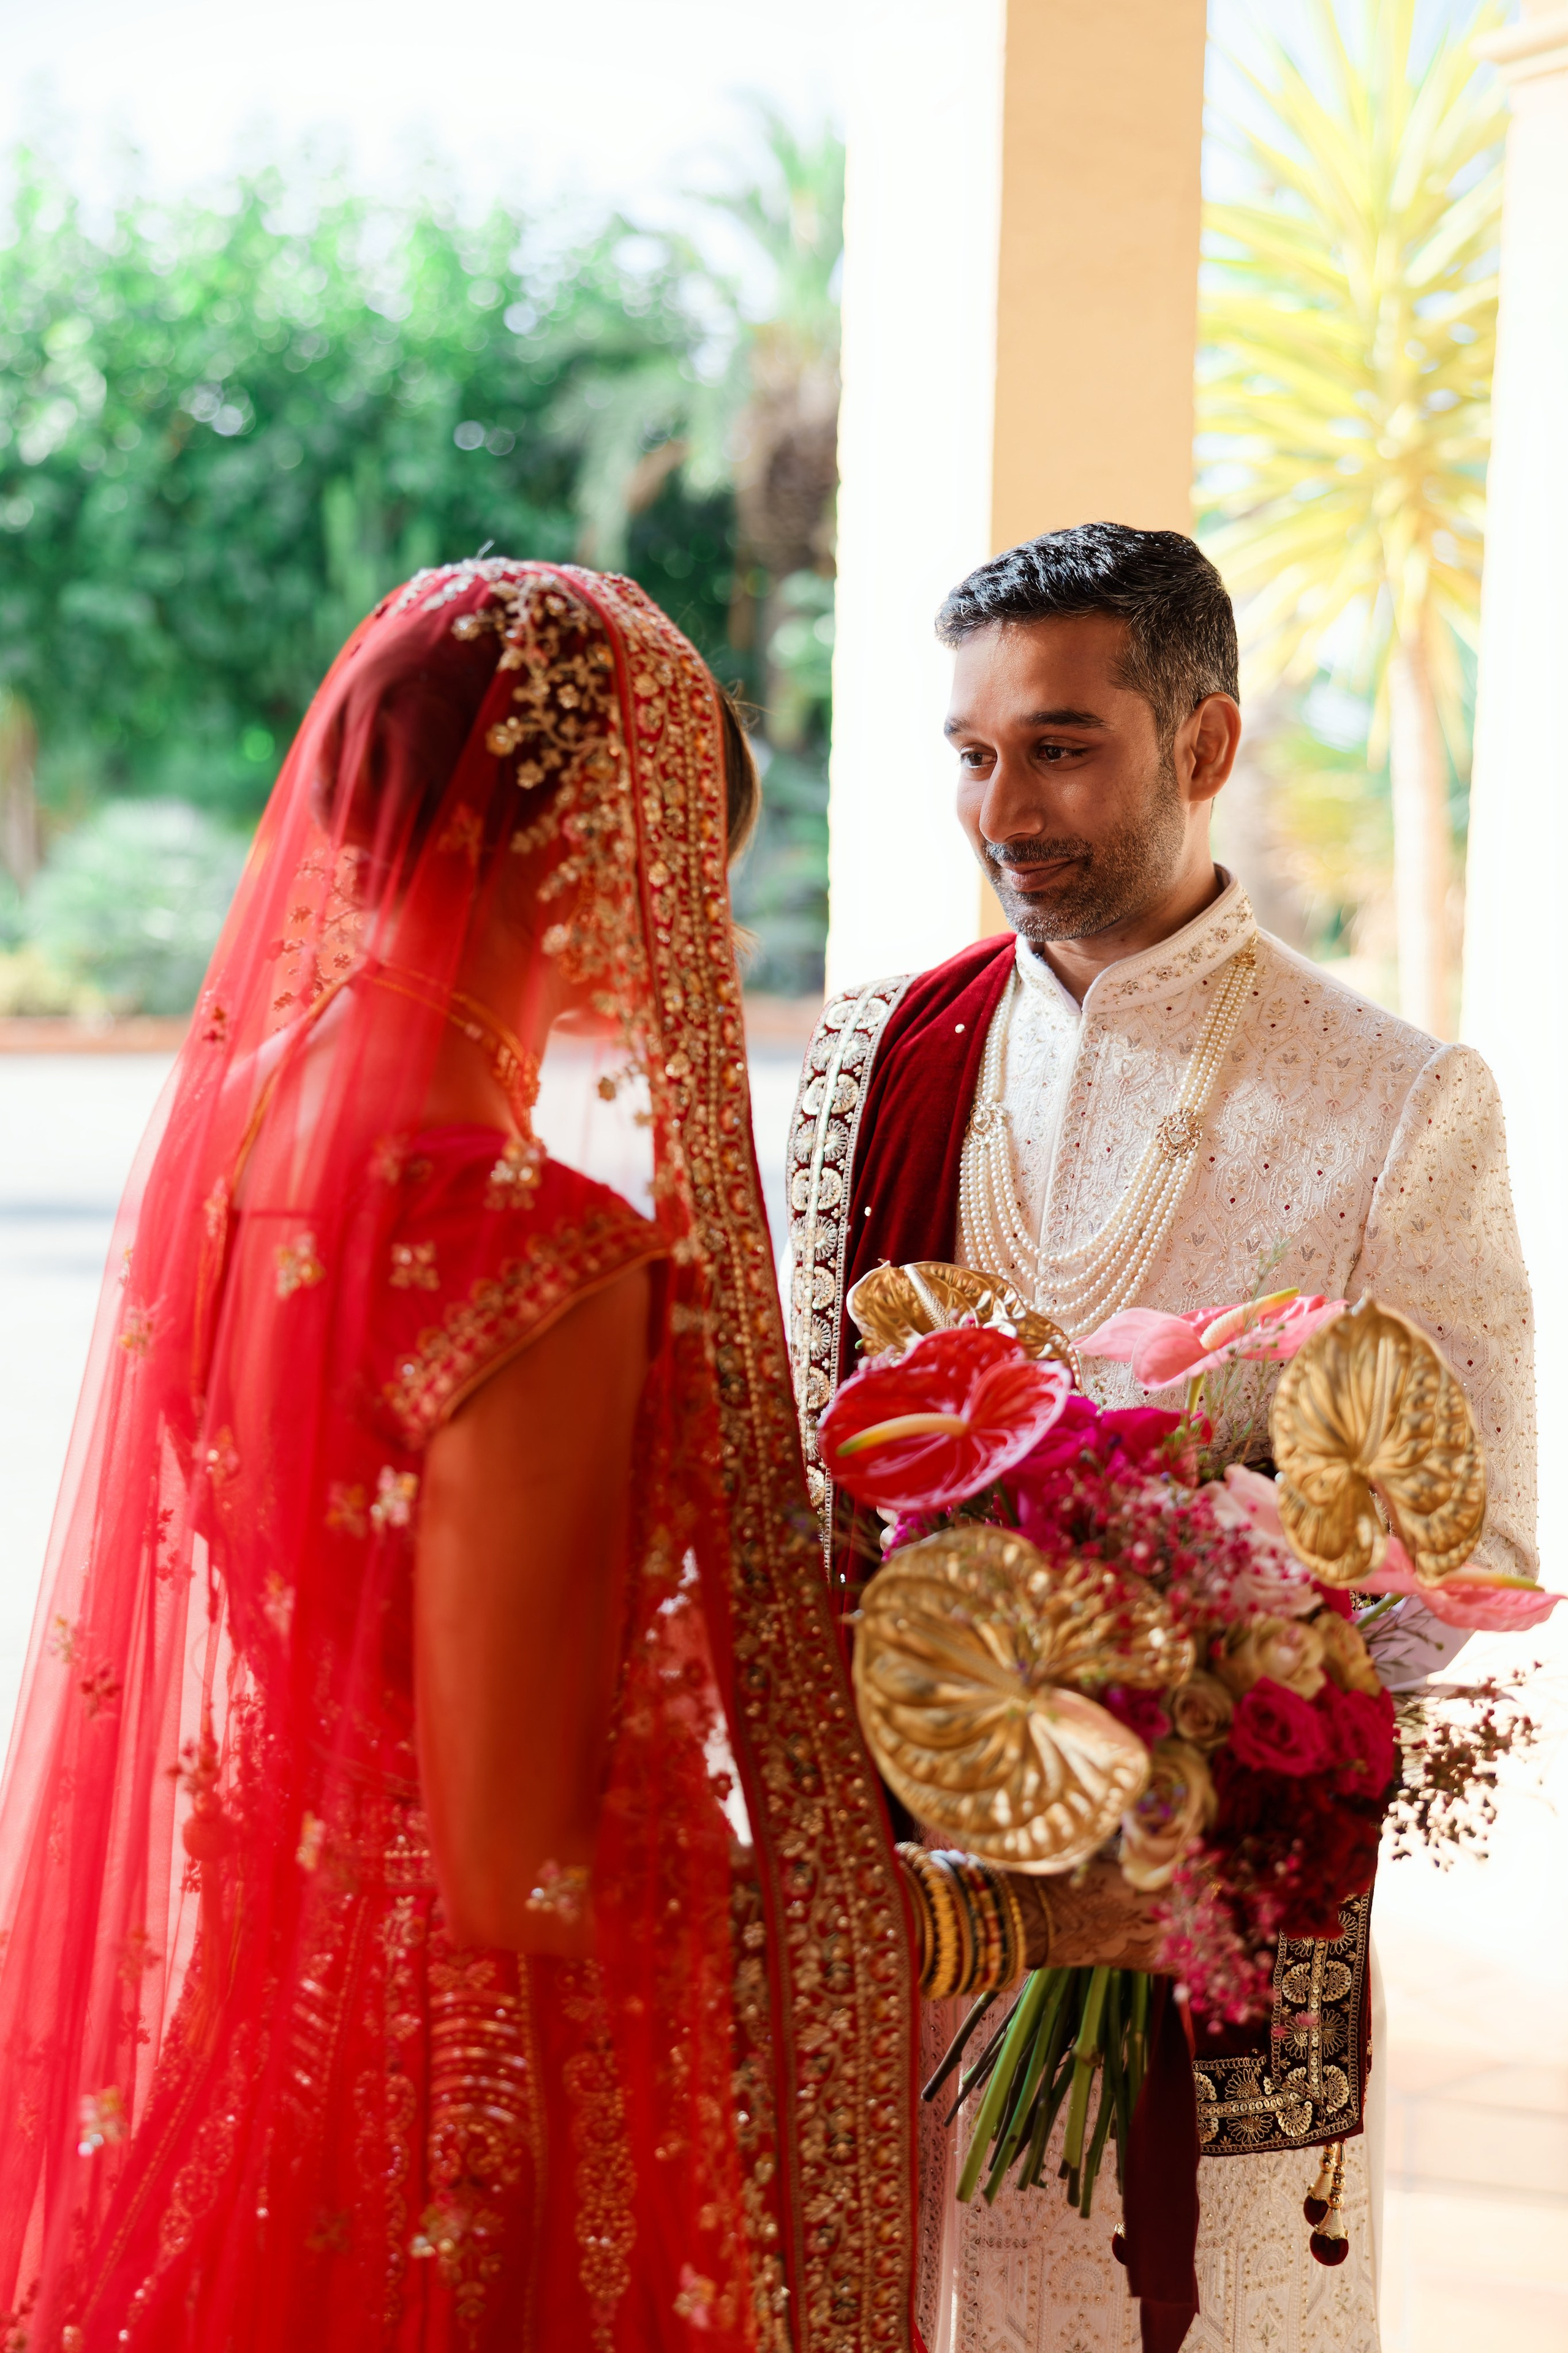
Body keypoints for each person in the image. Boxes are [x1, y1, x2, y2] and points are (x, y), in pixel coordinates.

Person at [0, 560, 921, 2351]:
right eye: (682, 876)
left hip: (276, 2017)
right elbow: (521, 1869)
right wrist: (899, 1921)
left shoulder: (248, 1120)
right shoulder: (536, 1253)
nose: (684, 933)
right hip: (473, 2110)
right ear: (592, 841)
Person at [786, 524, 1538, 2353]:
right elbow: (801, 1485)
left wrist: (1191, 1675)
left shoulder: (1396, 1101)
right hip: (904, 1936)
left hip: (1206, 1953)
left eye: (1060, 745)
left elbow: (1473, 1547)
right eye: (972, 753)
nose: (1002, 805)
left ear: (1203, 748)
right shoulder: (880, 1057)